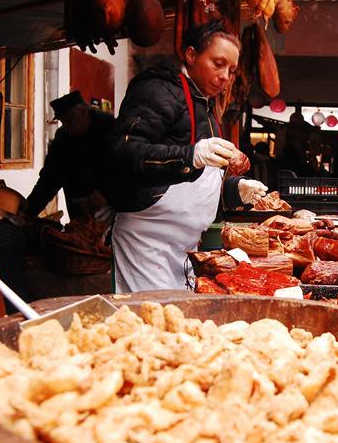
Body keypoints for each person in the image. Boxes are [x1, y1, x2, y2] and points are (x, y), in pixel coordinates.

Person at [106, 20, 267, 293]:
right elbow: (122, 154)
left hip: (185, 249)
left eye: (231, 70)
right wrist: (189, 156)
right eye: (218, 63)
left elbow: (195, 182)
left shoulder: (204, 104)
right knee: (151, 324)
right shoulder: (158, 90)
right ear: (191, 55)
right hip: (147, 243)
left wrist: (233, 190)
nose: (226, 77)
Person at [23, 91, 115, 220]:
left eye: (68, 120)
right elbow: (49, 179)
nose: (65, 126)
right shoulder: (63, 139)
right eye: (62, 121)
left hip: (113, 210)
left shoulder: (111, 128)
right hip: (78, 209)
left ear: (83, 112)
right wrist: (27, 212)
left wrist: (106, 192)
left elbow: (125, 168)